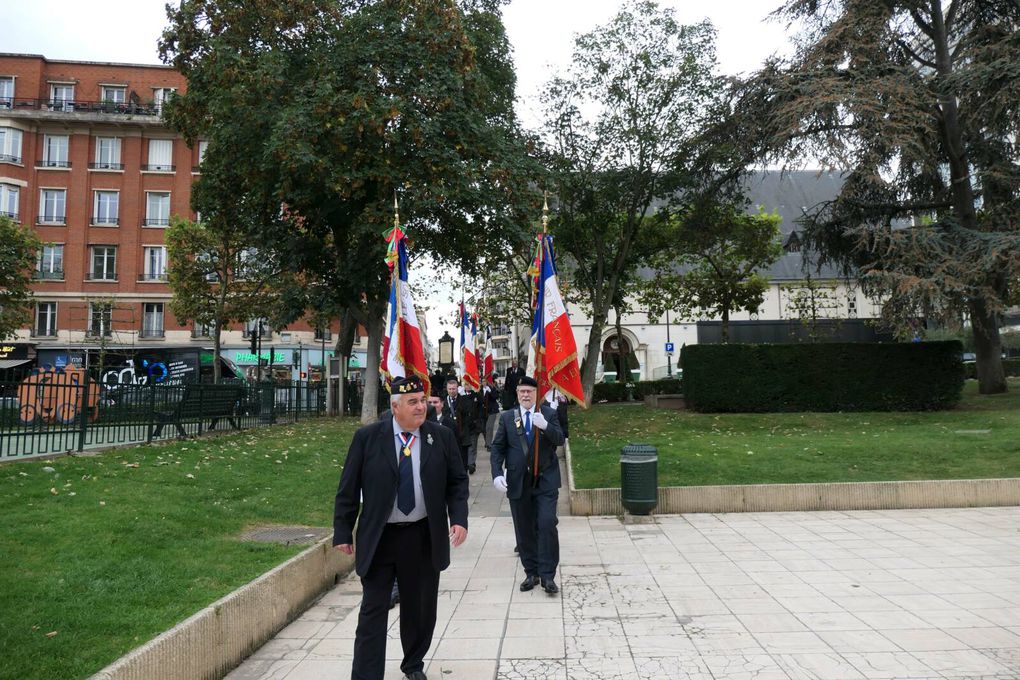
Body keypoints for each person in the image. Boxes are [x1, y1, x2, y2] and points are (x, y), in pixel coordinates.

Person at [333, 376, 469, 680]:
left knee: (419, 610)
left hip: (422, 537)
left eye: (423, 400)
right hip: (381, 538)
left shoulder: (440, 437)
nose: (421, 407)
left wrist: (458, 518)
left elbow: (457, 482)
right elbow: (348, 488)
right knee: (373, 610)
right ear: (395, 407)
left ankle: (413, 663)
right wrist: (342, 531)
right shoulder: (368, 438)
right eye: (413, 402)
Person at [490, 376, 565, 595]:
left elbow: (560, 439)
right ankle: (531, 572)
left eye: (529, 392)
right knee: (523, 529)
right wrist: (496, 474)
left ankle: (548, 575)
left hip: (546, 481)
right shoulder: (507, 418)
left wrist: (546, 426)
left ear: (536, 394)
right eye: (521, 391)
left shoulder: (549, 414)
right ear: (517, 394)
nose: (525, 395)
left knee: (547, 523)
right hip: (518, 482)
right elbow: (497, 449)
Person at [482, 382, 501, 451]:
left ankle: (489, 445)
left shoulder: (491, 388)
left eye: (485, 381)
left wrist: (490, 391)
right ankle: (487, 441)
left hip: (492, 410)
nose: (483, 383)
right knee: (483, 428)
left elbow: (496, 397)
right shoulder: (479, 389)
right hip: (482, 411)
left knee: (489, 427)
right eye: (482, 381)